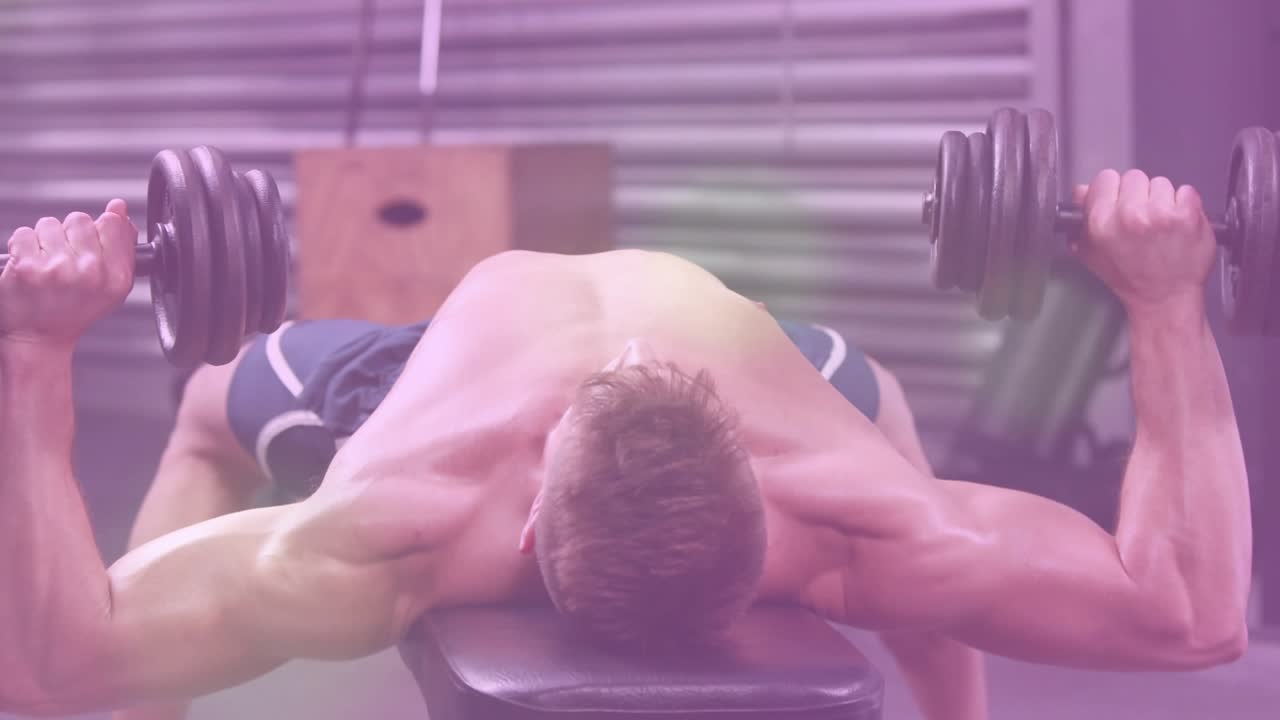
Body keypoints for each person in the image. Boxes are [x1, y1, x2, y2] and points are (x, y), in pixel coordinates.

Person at [0, 170, 1250, 720]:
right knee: (895, 459)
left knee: (210, 408)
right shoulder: (856, 527)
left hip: (463, 396)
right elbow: (1190, 616)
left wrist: (38, 347)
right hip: (476, 380)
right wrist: (1161, 295)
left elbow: (44, 667)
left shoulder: (381, 541)